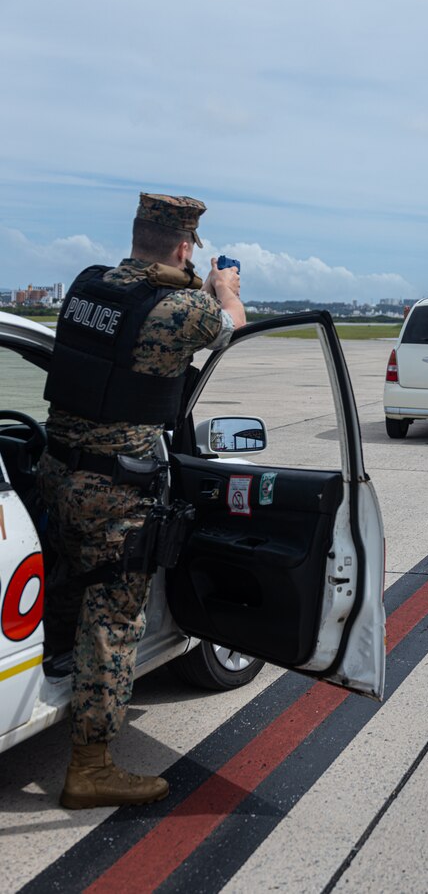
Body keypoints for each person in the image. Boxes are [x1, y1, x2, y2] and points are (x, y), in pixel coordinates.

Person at [38, 193, 244, 810]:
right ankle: (91, 767)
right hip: (114, 493)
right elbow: (231, 324)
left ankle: (52, 675)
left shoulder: (86, 286)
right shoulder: (185, 307)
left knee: (72, 582)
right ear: (186, 246)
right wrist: (221, 285)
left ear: (136, 235)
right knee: (116, 618)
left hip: (55, 472)